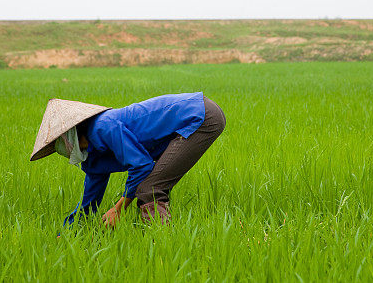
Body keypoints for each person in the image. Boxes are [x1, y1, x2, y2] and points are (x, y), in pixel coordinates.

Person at [30, 92, 226, 227]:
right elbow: (89, 203)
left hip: (200, 116)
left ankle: (163, 244)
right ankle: (159, 240)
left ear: (72, 135)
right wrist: (68, 232)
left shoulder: (103, 126)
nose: (68, 152)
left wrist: (118, 208)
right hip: (195, 113)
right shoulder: (92, 157)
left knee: (150, 188)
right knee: (151, 186)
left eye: (65, 146)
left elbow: (142, 165)